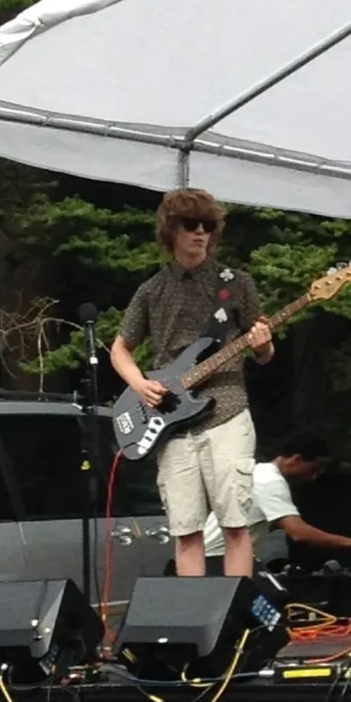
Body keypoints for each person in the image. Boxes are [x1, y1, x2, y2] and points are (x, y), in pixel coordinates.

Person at [110, 190, 273, 578]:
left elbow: (263, 353)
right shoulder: (152, 290)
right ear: (171, 230)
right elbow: (120, 349)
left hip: (228, 409)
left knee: (236, 522)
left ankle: (235, 618)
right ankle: (195, 624)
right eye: (190, 225)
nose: (200, 232)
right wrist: (139, 384)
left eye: (208, 226)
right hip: (169, 415)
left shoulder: (236, 283)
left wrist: (264, 346)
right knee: (185, 529)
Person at [200, 431, 351, 571]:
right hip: (216, 563)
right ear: (296, 459)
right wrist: (350, 543)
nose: (313, 477)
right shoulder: (270, 482)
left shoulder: (258, 471)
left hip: (215, 557)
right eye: (313, 469)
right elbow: (298, 533)